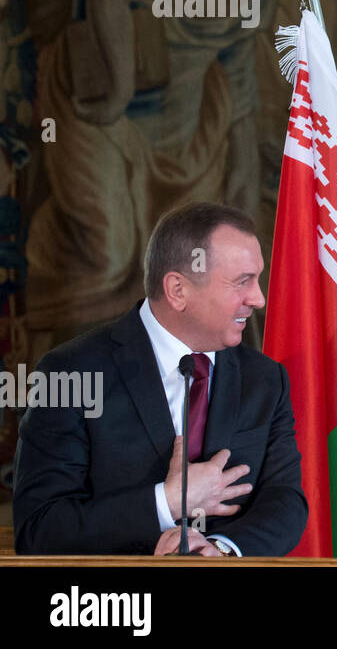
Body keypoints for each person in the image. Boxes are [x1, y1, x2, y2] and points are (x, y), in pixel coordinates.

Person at [13, 202, 307, 556]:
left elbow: (285, 501)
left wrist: (220, 550)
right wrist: (166, 503)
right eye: (241, 282)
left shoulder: (266, 380)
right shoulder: (69, 372)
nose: (258, 298)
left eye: (256, 279)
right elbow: (39, 529)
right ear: (178, 290)